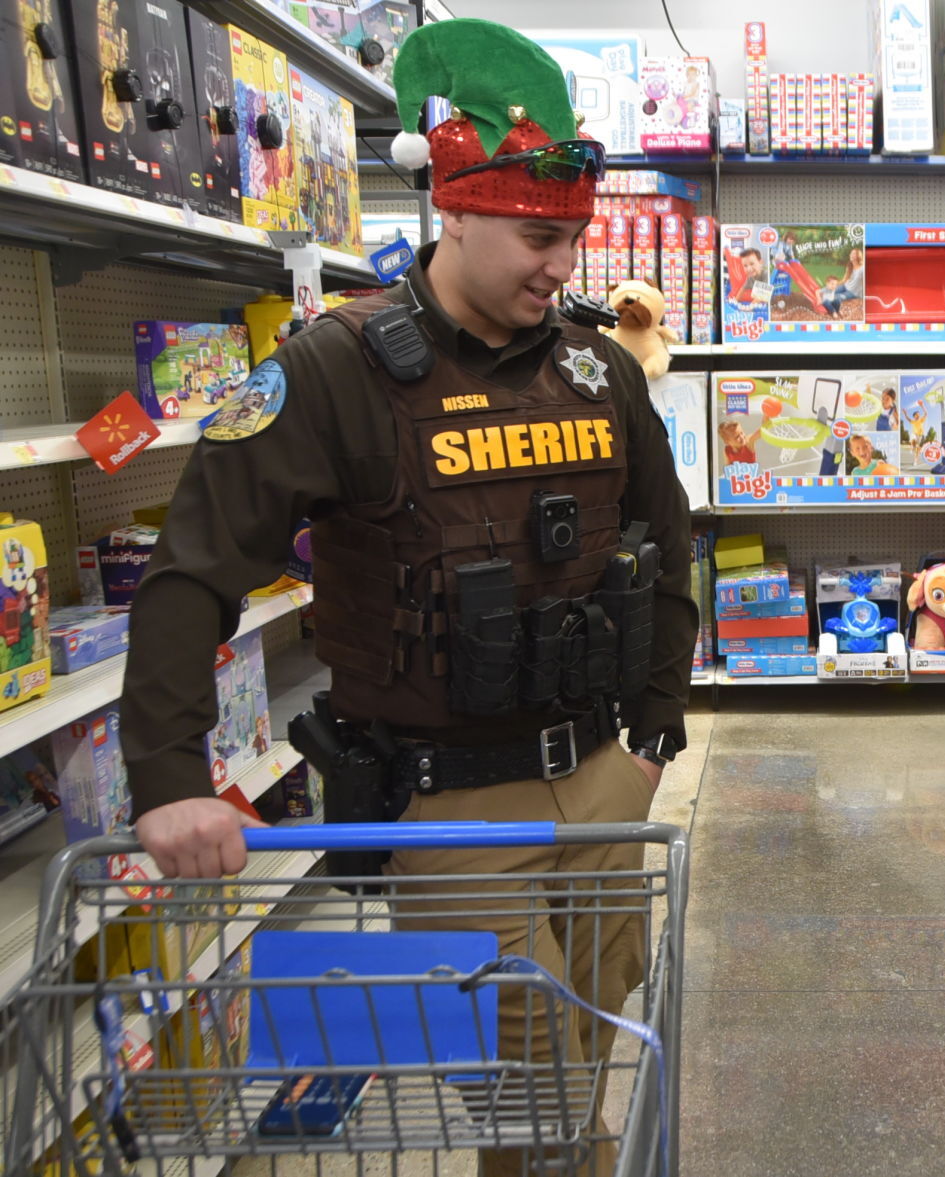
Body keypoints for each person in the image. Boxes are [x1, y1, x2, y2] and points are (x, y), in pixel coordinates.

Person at [117, 18, 696, 1176]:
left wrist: (655, 732)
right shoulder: (333, 369)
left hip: (600, 780)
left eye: (574, 239)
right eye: (538, 237)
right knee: (526, 1095)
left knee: (594, 1049)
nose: (561, 266)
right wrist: (170, 778)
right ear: (456, 209)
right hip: (449, 807)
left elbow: (666, 540)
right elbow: (195, 562)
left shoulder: (595, 366)